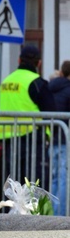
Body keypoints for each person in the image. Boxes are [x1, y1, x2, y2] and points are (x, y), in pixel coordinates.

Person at [0, 45, 55, 191]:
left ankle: (8, 214)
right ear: (39, 63)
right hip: (33, 140)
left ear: (19, 60)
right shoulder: (37, 82)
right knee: (34, 186)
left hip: (8, 140)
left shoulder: (6, 81)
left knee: (11, 185)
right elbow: (51, 111)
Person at [48, 60, 70, 215]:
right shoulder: (68, 89)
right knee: (63, 178)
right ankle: (60, 214)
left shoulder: (50, 87)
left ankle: (52, 212)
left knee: (55, 178)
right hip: (64, 139)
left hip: (53, 138)